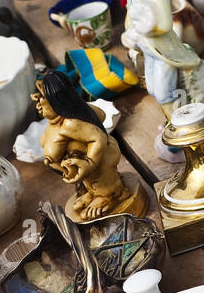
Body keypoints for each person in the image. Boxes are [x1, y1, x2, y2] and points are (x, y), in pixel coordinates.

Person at [32, 71, 143, 220]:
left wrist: (90, 162)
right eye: (36, 99)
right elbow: (101, 115)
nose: (37, 104)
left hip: (99, 162)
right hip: (82, 171)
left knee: (99, 176)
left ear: (56, 100)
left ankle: (111, 194)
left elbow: (98, 138)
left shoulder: (70, 123)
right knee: (90, 180)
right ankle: (93, 193)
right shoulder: (53, 126)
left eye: (41, 99)